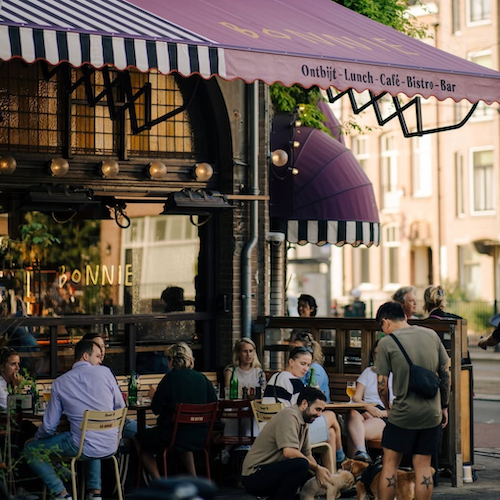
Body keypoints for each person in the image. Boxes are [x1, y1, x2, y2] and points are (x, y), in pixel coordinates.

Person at [25, 340, 125, 500]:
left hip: (84, 446)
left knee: (31, 450)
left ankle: (61, 493)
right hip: (112, 444)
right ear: (85, 356)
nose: (100, 361)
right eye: (97, 357)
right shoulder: (106, 372)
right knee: (90, 436)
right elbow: (120, 406)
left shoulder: (60, 382)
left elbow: (49, 426)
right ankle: (94, 492)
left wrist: (36, 439)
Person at [374, 302, 450, 500]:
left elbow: (381, 385)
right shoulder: (431, 335)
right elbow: (446, 373)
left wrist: (388, 407)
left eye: (381, 327)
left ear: (385, 321)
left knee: (390, 465)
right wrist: (443, 405)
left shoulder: (386, 343)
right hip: (431, 413)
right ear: (405, 317)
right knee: (423, 466)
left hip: (403, 414)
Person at [135, 342, 216, 479]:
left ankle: (159, 480)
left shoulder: (170, 379)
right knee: (184, 436)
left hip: (172, 437)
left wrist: (154, 396)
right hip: (201, 437)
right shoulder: (203, 380)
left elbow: (156, 409)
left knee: (138, 438)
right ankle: (194, 478)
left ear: (171, 360)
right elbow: (214, 404)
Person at [263, 346, 345, 471]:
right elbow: (303, 412)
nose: (306, 369)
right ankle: (340, 460)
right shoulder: (294, 382)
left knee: (331, 433)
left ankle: (331, 476)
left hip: (269, 432)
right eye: (302, 364)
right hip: (288, 436)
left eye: (308, 365)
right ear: (291, 362)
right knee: (331, 416)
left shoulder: (274, 378)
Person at [241, 386, 331, 500]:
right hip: (254, 475)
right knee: (301, 465)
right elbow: (289, 452)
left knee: (308, 471)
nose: (320, 414)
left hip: (271, 470)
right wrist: (317, 468)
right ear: (304, 404)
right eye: (318, 409)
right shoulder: (290, 415)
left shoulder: (304, 422)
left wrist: (319, 474)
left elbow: (307, 454)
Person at [81, 332, 138, 439]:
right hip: (110, 428)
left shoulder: (105, 372)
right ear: (87, 351)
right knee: (148, 435)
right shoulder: (104, 373)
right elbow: (120, 406)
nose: (101, 351)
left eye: (102, 346)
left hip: (108, 427)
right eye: (97, 346)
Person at [345, 340, 394, 463]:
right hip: (365, 408)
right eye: (376, 353)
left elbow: (400, 406)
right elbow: (356, 397)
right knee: (352, 414)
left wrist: (381, 413)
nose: (378, 357)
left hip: (383, 414)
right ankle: (362, 453)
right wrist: (368, 408)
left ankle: (355, 469)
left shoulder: (396, 374)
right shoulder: (368, 372)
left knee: (353, 432)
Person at [289, 331, 330, 402]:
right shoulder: (295, 367)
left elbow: (314, 392)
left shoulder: (315, 368)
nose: (294, 352)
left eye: (299, 349)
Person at [0, 347, 22, 411]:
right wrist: (17, 387)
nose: (18, 368)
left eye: (18, 364)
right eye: (13, 364)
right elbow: (10, 408)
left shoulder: (8, 383)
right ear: (2, 367)